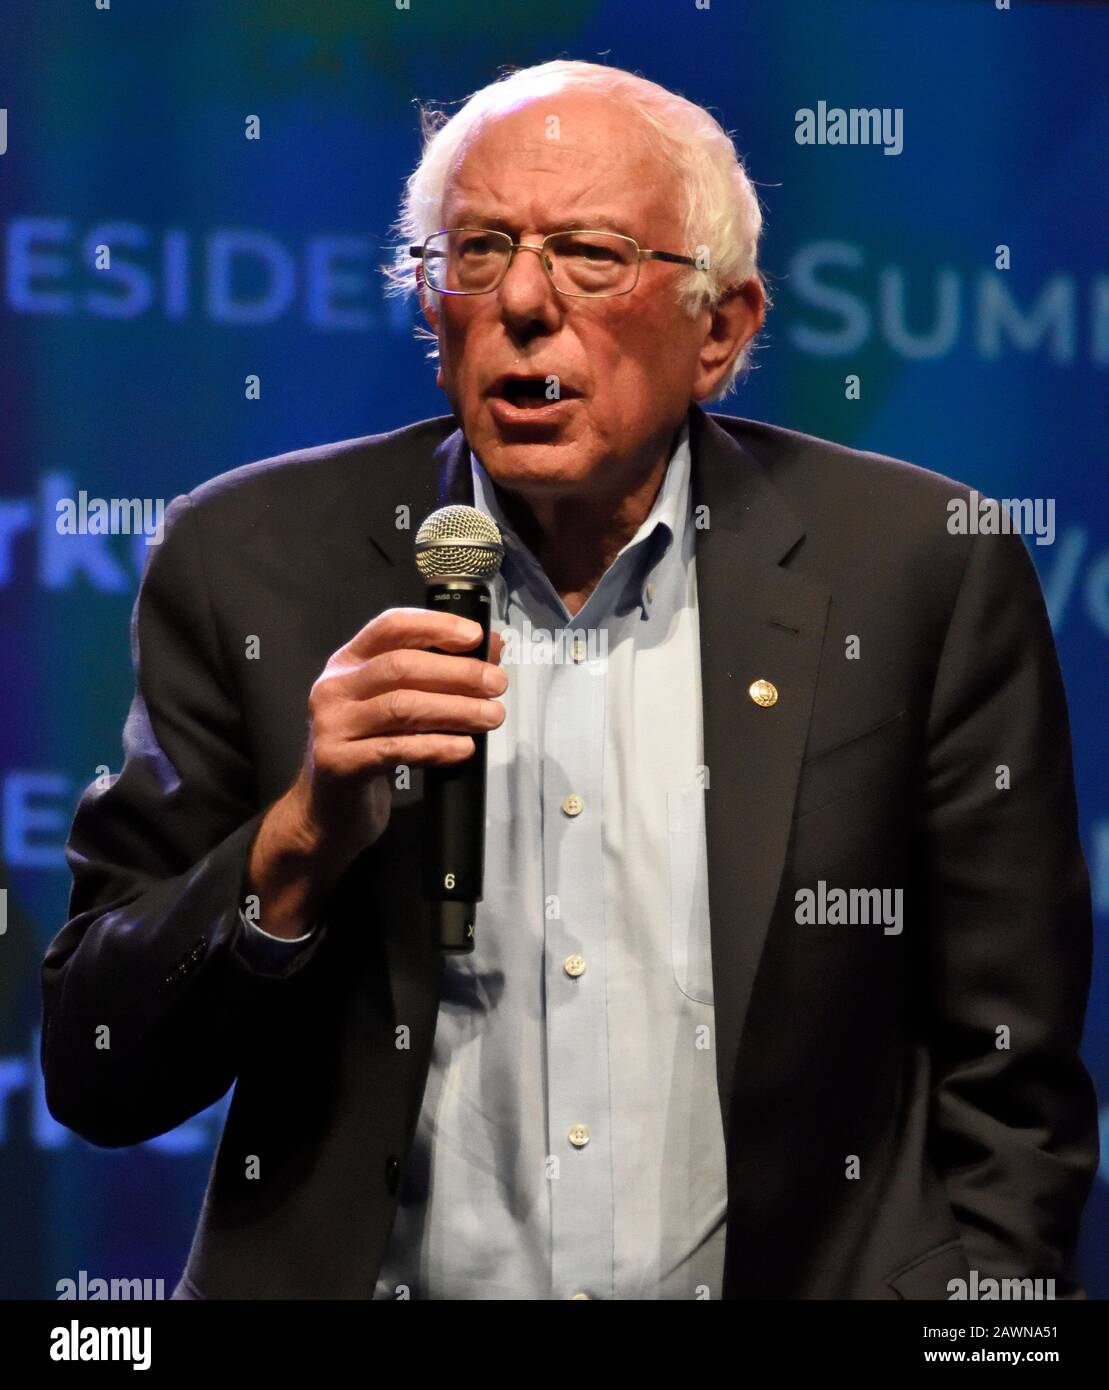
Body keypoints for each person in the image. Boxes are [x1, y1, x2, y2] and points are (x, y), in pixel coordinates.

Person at [41, 60, 1098, 1300]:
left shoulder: (916, 568)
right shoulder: (248, 562)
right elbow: (99, 1068)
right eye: (477, 252)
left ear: (721, 329)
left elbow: (1009, 1071)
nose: (525, 302)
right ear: (429, 310)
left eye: (591, 254)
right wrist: (295, 844)